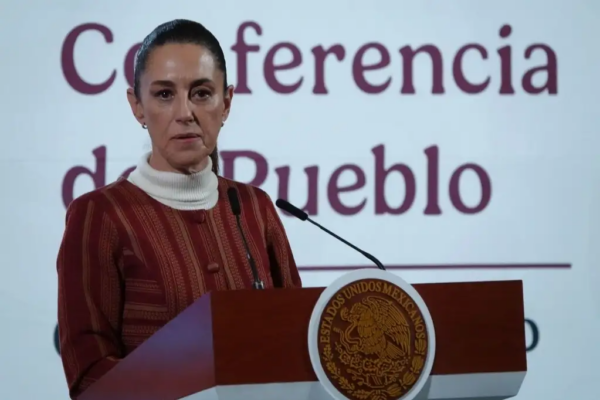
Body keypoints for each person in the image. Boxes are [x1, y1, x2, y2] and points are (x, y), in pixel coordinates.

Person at [56, 19, 302, 399]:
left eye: (202, 93)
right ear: (137, 106)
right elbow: (90, 375)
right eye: (164, 94)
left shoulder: (255, 207)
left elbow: (297, 340)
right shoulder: (99, 215)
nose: (185, 112)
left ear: (227, 103)